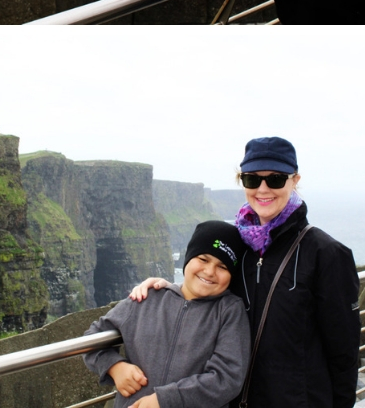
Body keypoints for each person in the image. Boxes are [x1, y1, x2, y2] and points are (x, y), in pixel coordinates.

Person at [131, 136, 360, 408]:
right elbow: (208, 287)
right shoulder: (240, 248)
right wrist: (168, 288)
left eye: (275, 179)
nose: (263, 189)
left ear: (294, 180)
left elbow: (344, 355)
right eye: (252, 179)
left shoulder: (327, 254)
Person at [83, 221, 250, 408]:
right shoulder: (146, 299)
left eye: (223, 267)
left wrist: (165, 400)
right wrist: (114, 366)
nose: (210, 271)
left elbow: (227, 378)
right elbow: (92, 339)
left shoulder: (229, 311)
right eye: (203, 259)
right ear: (188, 258)